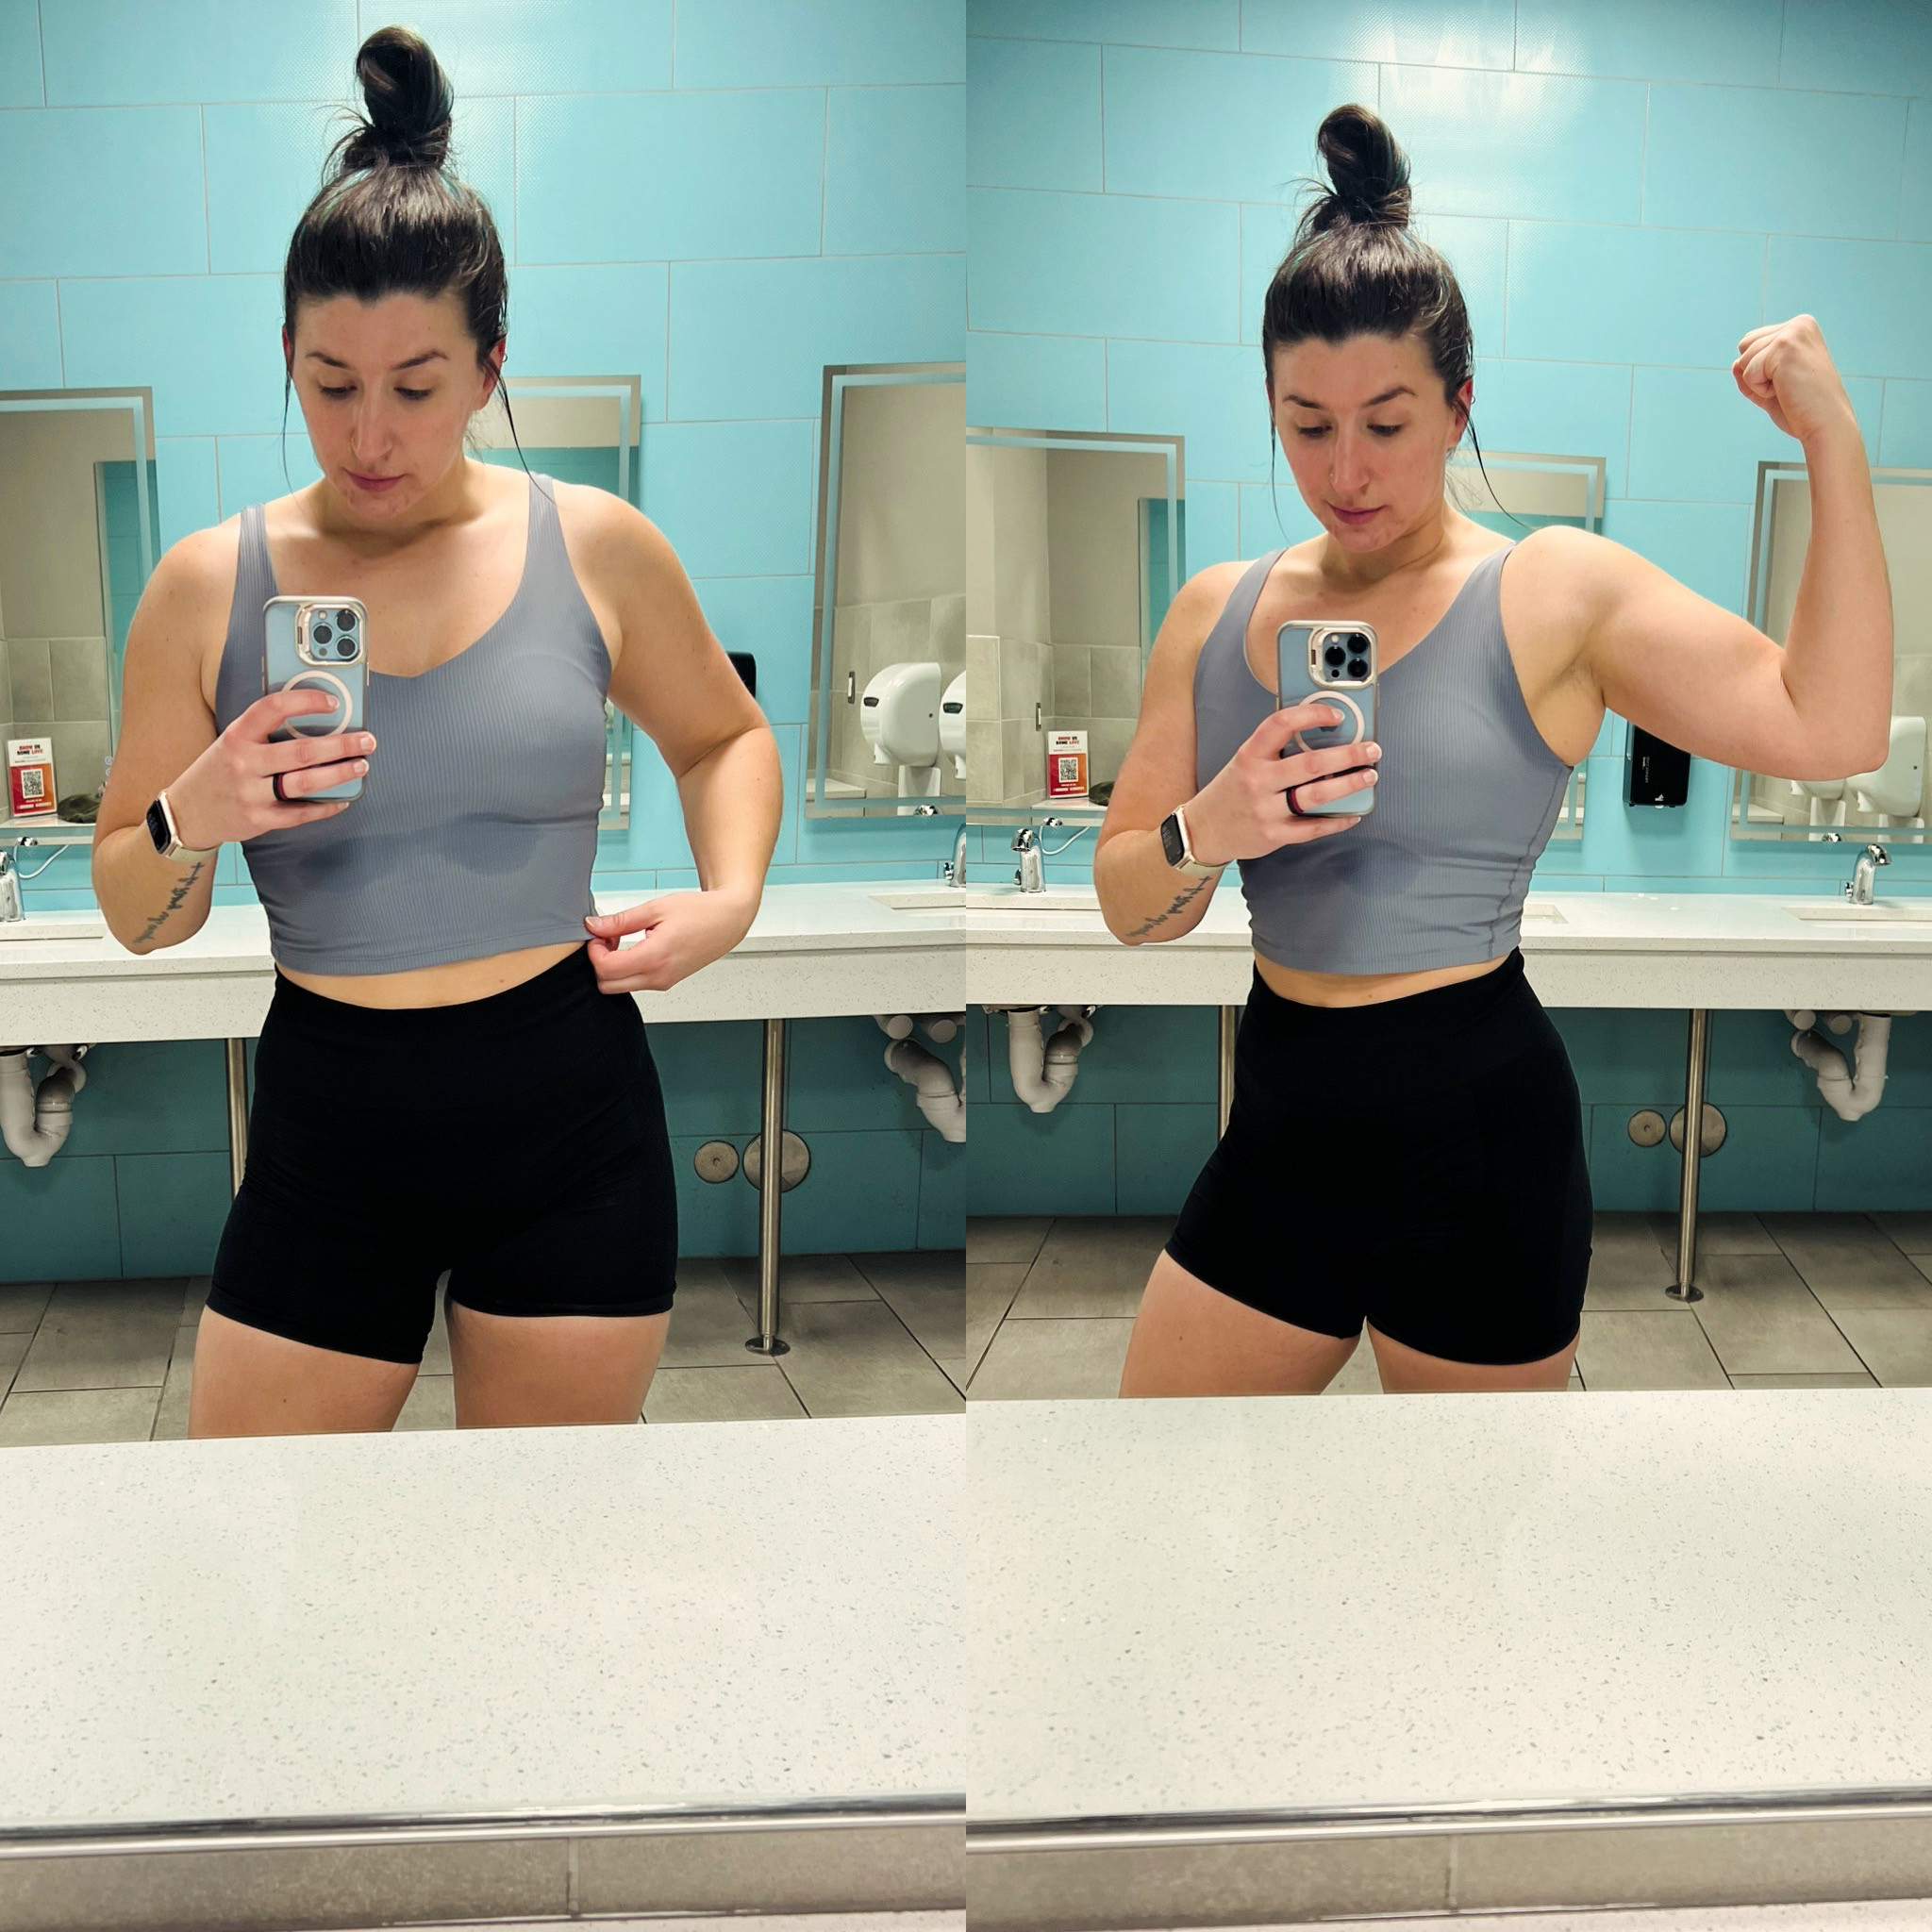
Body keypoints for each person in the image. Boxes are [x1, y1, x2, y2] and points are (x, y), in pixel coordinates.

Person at [1098, 104, 1890, 1398]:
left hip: (1476, 1142)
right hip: (1280, 1127)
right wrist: (1212, 827)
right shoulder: (1211, 611)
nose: (1347, 471)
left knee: (1467, 1525)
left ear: (1460, 405)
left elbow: (1832, 725)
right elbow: (1130, 902)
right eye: (1307, 424)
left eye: (1388, 423)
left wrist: (1833, 441)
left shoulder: (1554, 591)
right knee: (1158, 1479)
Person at [92, 27, 780, 1436]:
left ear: (488, 367)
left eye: (414, 386)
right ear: (288, 357)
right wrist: (191, 815)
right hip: (328, 1129)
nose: (369, 436)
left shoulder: (597, 545)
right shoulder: (205, 587)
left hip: (569, 1114)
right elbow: (133, 906)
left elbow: (725, 739)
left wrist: (733, 898)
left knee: (542, 1539)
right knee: (267, 1530)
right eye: (330, 383)